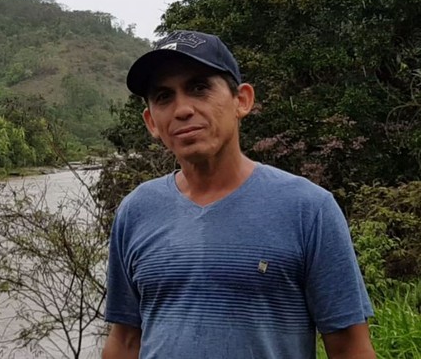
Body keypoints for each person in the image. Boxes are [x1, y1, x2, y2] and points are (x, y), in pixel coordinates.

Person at [101, 31, 375, 358]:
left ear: (241, 100)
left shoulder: (308, 209)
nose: (182, 109)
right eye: (163, 97)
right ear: (151, 122)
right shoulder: (136, 211)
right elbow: (125, 341)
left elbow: (350, 348)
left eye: (199, 88)